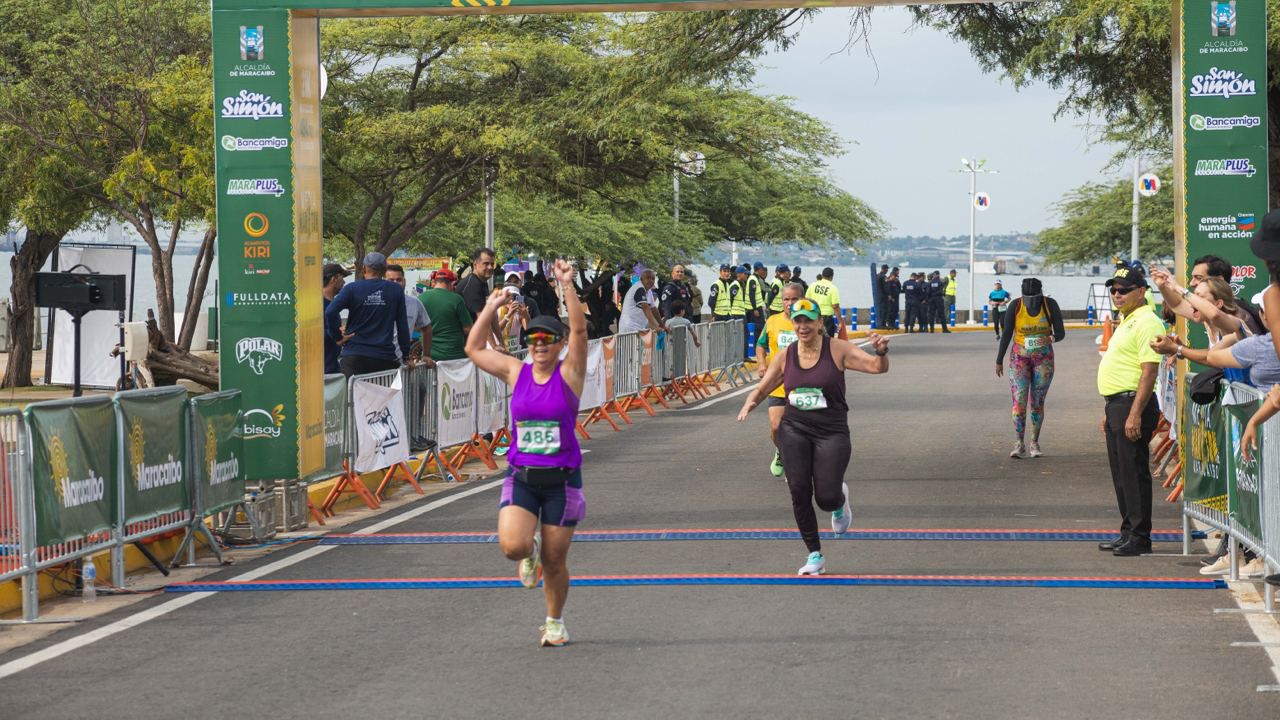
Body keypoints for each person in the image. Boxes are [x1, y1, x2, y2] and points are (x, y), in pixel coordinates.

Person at [464, 259, 587, 648]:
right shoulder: (516, 372)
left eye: (545, 340)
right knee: (512, 546)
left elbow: (580, 328)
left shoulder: (570, 375)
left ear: (557, 345)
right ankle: (527, 550)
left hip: (562, 482)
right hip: (523, 477)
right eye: (532, 340)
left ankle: (554, 621)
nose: (538, 346)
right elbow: (473, 347)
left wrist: (566, 285)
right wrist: (491, 305)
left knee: (555, 562)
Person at [736, 297, 889, 574]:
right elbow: (763, 387)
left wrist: (880, 353)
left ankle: (839, 501)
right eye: (798, 320)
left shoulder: (838, 349)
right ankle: (814, 554)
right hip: (795, 428)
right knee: (798, 490)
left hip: (832, 431)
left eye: (809, 320)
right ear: (793, 323)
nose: (803, 326)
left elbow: (877, 367)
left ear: (820, 322)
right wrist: (750, 402)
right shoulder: (786, 356)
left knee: (826, 497)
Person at [1095, 266, 1165, 557]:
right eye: (1113, 290)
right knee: (1121, 473)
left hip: (1132, 403)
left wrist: (1134, 413)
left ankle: (1139, 537)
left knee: (1134, 472)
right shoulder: (1127, 320)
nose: (1117, 295)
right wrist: (1110, 409)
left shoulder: (1148, 322)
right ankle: (1128, 531)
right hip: (1118, 404)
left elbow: (1149, 372)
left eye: (1123, 290)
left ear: (1141, 291)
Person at [995, 278, 1066, 458]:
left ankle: (1034, 443)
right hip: (1019, 358)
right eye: (1029, 297)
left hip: (1043, 360)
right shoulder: (1016, 306)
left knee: (1037, 403)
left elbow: (1061, 332)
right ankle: (1019, 443)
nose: (1032, 301)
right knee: (1019, 403)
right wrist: (999, 359)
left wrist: (1050, 338)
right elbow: (1006, 334)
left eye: (1035, 297)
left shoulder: (1050, 305)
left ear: (1041, 293)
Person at [324, 252, 410, 377]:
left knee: (352, 396)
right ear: (384, 270)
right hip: (383, 357)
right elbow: (402, 325)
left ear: (364, 268)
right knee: (382, 396)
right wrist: (406, 355)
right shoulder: (395, 290)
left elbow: (330, 312)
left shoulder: (352, 288)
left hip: (354, 356)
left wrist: (337, 337)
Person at [754, 282, 802, 478]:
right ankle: (781, 451)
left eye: (794, 299)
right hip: (777, 384)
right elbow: (760, 344)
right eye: (786, 299)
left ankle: (799, 463)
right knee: (776, 427)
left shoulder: (810, 322)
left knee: (802, 430)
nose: (790, 303)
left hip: (803, 385)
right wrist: (761, 364)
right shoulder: (773, 321)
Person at [418, 268, 473, 362]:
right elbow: (468, 329)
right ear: (452, 282)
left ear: (435, 281)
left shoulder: (421, 298)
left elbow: (416, 326)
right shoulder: (456, 299)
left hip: (429, 357)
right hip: (454, 356)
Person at [386, 263, 433, 363]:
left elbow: (427, 328)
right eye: (391, 280)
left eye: (399, 280)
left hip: (403, 362)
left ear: (404, 281)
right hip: (379, 359)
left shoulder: (414, 303)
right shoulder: (377, 302)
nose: (395, 283)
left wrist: (426, 355)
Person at [322, 263, 351, 375]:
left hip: (333, 366)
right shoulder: (315, 304)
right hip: (322, 370)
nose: (344, 282)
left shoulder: (333, 303)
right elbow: (309, 332)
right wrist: (336, 335)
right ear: (334, 279)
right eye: (342, 278)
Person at [456, 247, 497, 320]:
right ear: (475, 265)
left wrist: (498, 331)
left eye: (492, 264)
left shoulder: (482, 282)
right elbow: (481, 319)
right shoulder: (473, 284)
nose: (490, 267)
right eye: (486, 263)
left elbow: (489, 315)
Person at [618, 268, 661, 333]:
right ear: (641, 279)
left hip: (639, 327)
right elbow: (645, 307)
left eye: (653, 278)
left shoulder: (648, 291)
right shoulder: (639, 288)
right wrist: (655, 326)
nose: (651, 281)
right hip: (630, 327)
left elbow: (654, 309)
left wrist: (661, 325)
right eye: (648, 278)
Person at [806, 267, 843, 337]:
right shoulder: (833, 288)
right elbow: (835, 306)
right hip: (827, 318)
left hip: (814, 315)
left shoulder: (813, 285)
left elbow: (807, 300)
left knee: (815, 338)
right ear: (832, 277)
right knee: (827, 340)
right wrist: (840, 321)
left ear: (822, 275)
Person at [874, 264, 889, 329]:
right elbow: (886, 287)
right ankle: (883, 324)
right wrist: (889, 294)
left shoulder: (877, 276)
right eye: (887, 269)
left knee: (880, 310)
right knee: (884, 310)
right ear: (885, 269)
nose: (887, 270)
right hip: (883, 296)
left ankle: (880, 323)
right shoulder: (884, 276)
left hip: (878, 295)